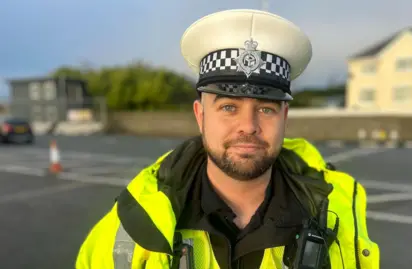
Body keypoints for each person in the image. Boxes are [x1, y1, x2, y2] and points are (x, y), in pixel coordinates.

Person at [75, 9, 379, 269]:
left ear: (285, 117)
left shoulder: (338, 216)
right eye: (229, 107)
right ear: (200, 114)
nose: (248, 126)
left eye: (266, 109)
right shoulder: (133, 222)